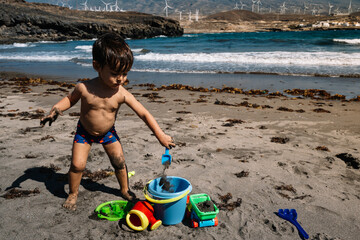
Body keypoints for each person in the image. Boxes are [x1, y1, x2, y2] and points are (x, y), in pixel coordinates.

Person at [40, 32, 175, 211]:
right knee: (77, 165)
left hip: (108, 133)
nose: (121, 79)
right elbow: (69, 99)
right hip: (84, 132)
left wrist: (161, 135)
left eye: (125, 73)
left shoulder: (122, 93)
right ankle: (73, 193)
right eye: (115, 73)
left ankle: (125, 190)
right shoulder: (84, 88)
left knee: (119, 162)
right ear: (97, 66)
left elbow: (144, 113)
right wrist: (55, 110)